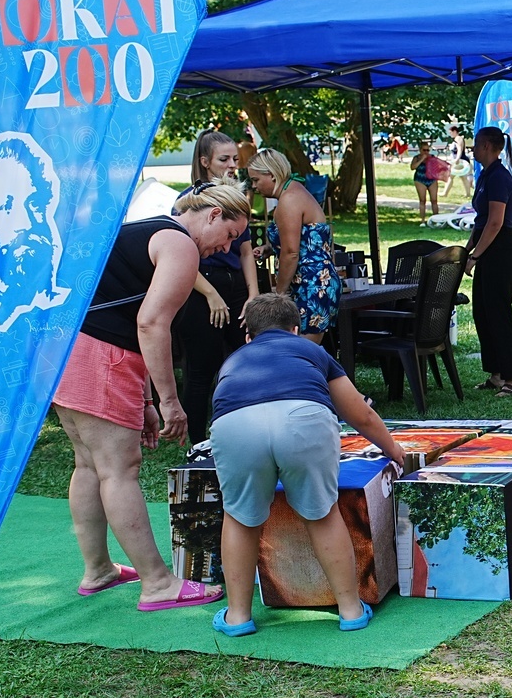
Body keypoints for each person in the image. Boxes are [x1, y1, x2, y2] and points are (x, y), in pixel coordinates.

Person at [53, 183, 252, 611]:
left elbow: (124, 314)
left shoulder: (148, 229)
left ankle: (99, 570)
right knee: (119, 469)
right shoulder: (182, 246)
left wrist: (145, 401)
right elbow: (150, 324)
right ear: (213, 215)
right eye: (230, 235)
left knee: (88, 463)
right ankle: (158, 583)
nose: (227, 248)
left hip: (65, 350)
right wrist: (169, 402)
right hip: (101, 357)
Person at [209, 294, 406, 636]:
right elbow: (360, 413)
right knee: (323, 514)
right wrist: (394, 449)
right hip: (303, 419)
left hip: (236, 426)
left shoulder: (233, 360)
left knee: (239, 517)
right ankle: (350, 610)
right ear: (296, 330)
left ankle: (238, 616)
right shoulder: (312, 350)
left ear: (249, 336)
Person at [173, 131, 258, 441]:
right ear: (205, 162)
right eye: (224, 159)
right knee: (201, 367)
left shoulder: (238, 198)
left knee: (249, 359)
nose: (233, 165)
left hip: (236, 288)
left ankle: (249, 431)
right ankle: (197, 441)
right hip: (201, 287)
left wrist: (253, 294)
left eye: (235, 159)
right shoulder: (190, 201)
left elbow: (246, 251)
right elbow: (179, 254)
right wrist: (210, 294)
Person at [247, 148, 340, 343]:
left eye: (256, 180)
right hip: (316, 281)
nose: (254, 186)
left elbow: (291, 253)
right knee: (298, 348)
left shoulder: (289, 200)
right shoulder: (294, 191)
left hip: (310, 284)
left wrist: (279, 295)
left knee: (299, 351)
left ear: (272, 175)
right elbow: (302, 239)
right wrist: (270, 248)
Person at [465, 126, 512, 396]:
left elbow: (496, 222)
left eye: (475, 144)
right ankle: (496, 375)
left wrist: (475, 256)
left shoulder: (499, 177)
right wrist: (467, 250)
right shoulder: (486, 175)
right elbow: (481, 221)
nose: (473, 149)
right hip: (487, 248)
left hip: (501, 251)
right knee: (483, 312)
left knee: (499, 314)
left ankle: (511, 380)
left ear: (487, 146)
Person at [410, 139, 447, 221]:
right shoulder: (416, 158)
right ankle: (422, 220)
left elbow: (439, 168)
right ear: (420, 150)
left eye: (428, 150)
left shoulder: (432, 157)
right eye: (424, 150)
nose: (426, 152)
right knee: (422, 200)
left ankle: (436, 220)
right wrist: (421, 159)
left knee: (434, 200)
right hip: (420, 179)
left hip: (432, 180)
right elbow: (413, 167)